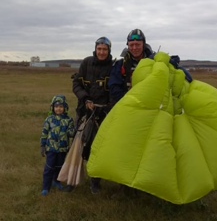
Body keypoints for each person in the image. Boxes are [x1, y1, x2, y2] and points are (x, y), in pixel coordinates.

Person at [71, 36, 114, 194]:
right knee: (78, 145)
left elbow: (115, 89)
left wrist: (109, 106)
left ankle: (95, 181)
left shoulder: (113, 66)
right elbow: (76, 84)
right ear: (95, 49)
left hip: (103, 115)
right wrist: (85, 98)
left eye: (105, 49)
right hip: (84, 112)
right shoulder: (86, 63)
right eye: (99, 49)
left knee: (97, 148)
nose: (102, 52)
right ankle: (72, 177)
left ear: (109, 50)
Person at [108, 28, 155, 105]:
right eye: (131, 45)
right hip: (127, 104)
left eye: (137, 45)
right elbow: (114, 87)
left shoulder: (154, 62)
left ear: (143, 44)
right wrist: (129, 101)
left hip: (150, 103)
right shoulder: (120, 65)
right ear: (128, 46)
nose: (134, 48)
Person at [40, 95, 75, 196]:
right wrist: (43, 145)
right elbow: (44, 133)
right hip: (51, 148)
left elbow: (71, 134)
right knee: (49, 167)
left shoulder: (69, 120)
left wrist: (75, 129)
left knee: (59, 166)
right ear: (53, 108)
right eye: (56, 106)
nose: (58, 109)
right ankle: (46, 187)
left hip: (63, 149)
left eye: (61, 106)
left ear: (65, 108)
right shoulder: (49, 119)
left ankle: (56, 181)